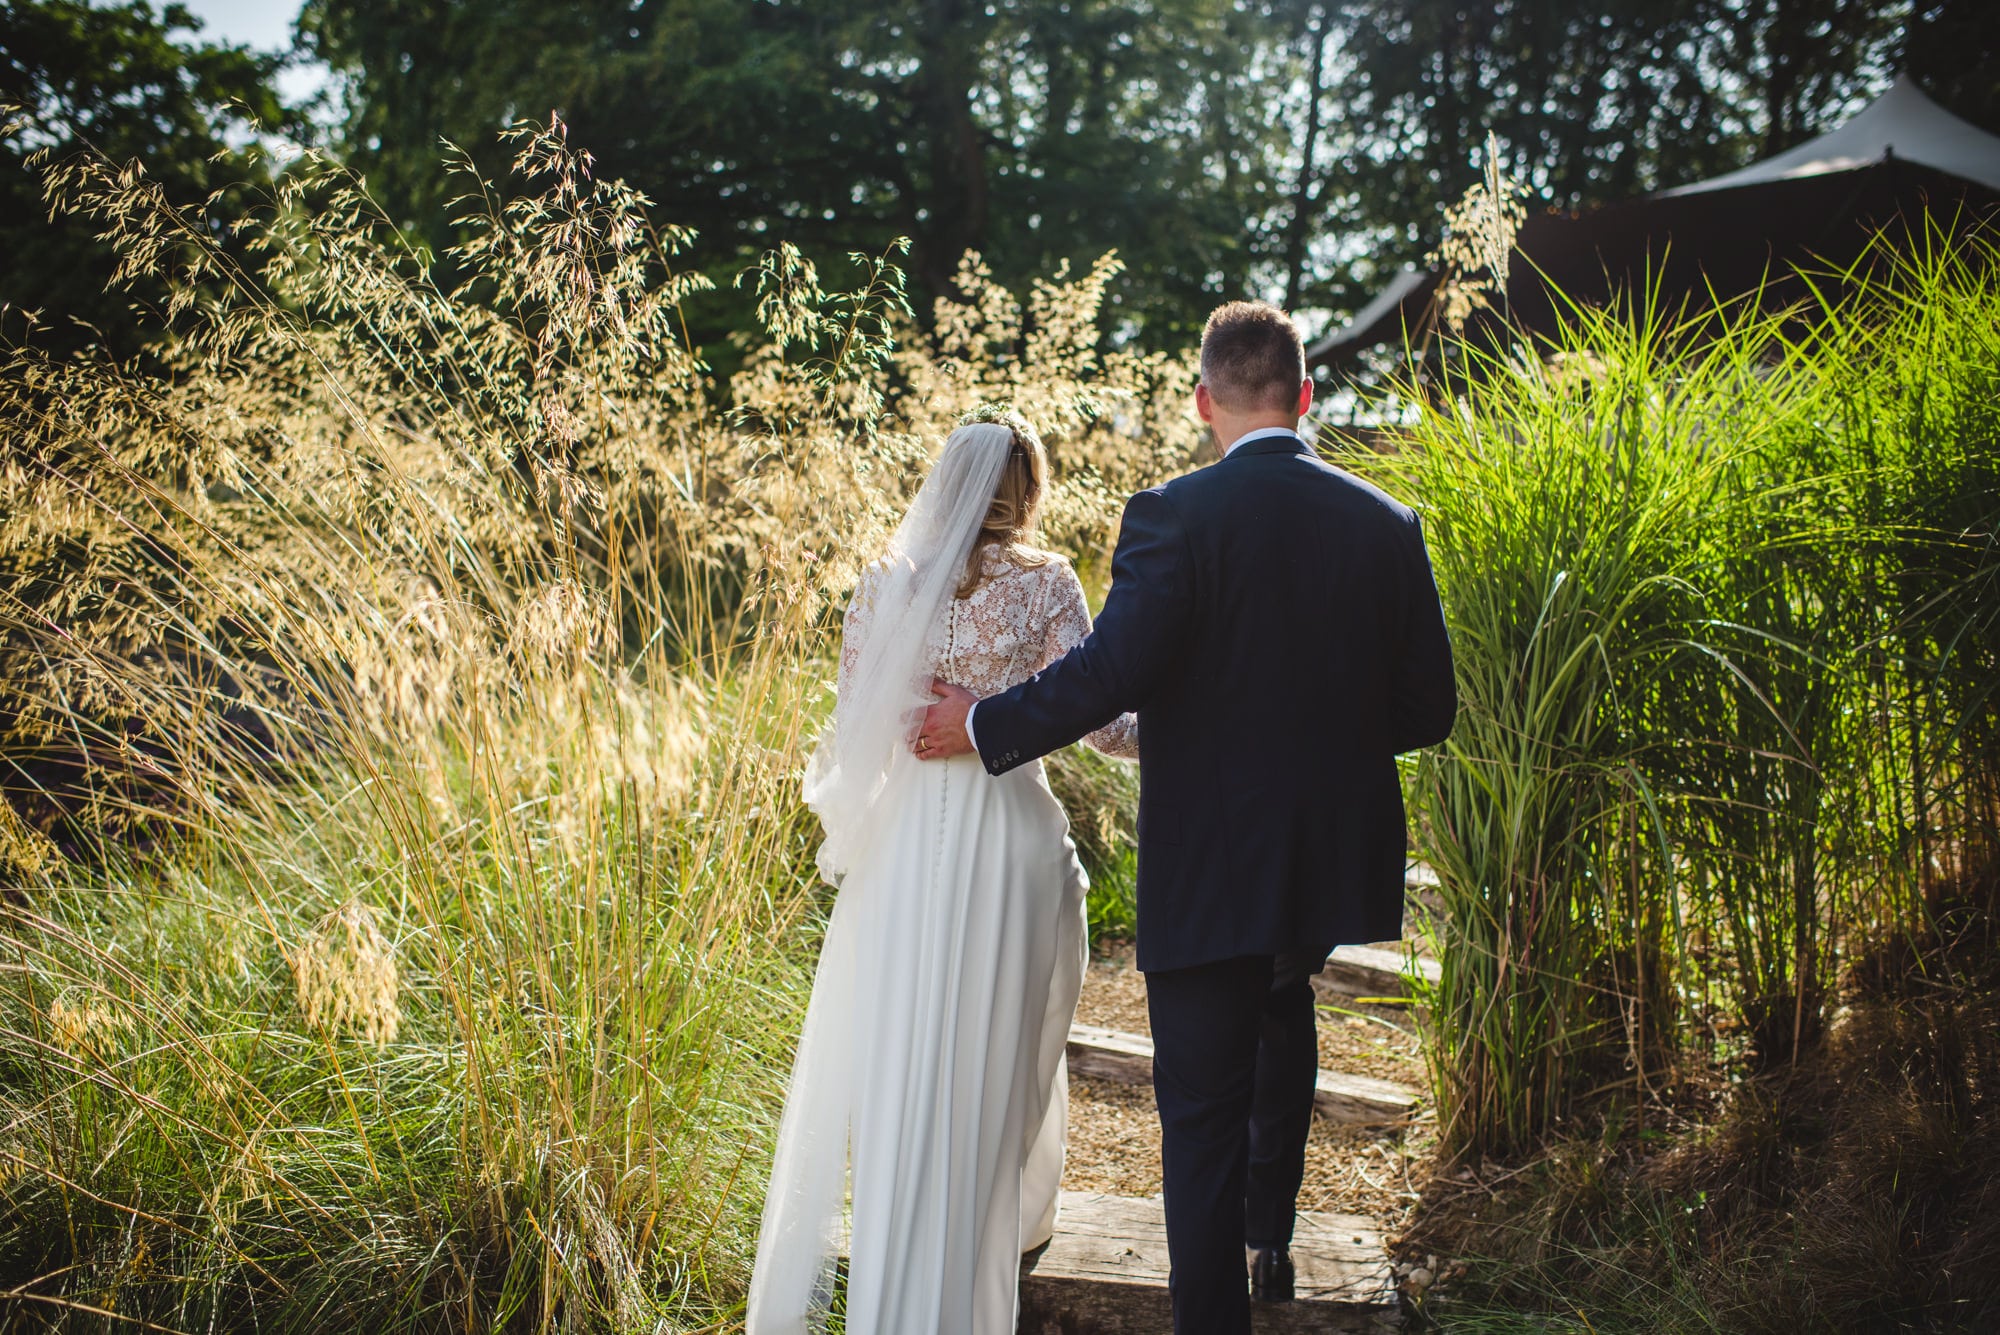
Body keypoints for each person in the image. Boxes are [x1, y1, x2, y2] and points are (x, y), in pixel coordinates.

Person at [916, 301, 1456, 1333]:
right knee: (1283, 998)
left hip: (1206, 854)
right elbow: (1427, 708)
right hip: (1320, 853)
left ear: (1203, 400)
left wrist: (981, 724)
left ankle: (1215, 1313)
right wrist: (1322, 737)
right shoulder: (1384, 522)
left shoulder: (1171, 514)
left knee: (1199, 1108)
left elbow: (1106, 675)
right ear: (1303, 399)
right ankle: (1271, 1231)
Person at [747, 413, 1138, 1334]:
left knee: (903, 1051)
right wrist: (1197, 716)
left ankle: (904, 1247)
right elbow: (1104, 725)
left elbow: (858, 731)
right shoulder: (1046, 584)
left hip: (900, 846)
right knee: (1007, 1036)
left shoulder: (887, 583)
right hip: (1009, 845)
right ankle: (1003, 1216)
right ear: (1027, 490)